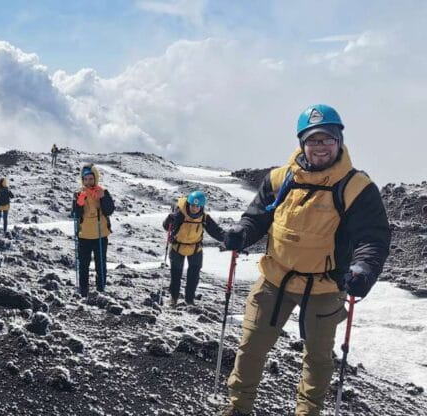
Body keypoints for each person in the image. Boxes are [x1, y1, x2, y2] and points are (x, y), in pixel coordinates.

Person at [218, 104, 391, 416]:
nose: (320, 147)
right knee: (251, 347)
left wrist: (363, 268)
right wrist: (241, 234)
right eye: (313, 140)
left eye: (327, 139)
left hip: (325, 287)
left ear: (339, 140)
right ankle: (237, 408)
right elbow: (256, 218)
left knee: (318, 359)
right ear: (302, 143)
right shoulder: (278, 179)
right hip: (275, 279)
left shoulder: (356, 187)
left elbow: (372, 237)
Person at [161, 190, 225, 306]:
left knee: (193, 276)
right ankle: (173, 298)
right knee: (176, 275)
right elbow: (167, 227)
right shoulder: (179, 214)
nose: (194, 208)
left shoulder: (204, 218)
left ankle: (189, 300)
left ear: (202, 207)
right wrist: (169, 219)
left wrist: (229, 239)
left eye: (198, 206)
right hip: (177, 247)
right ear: (189, 204)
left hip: (196, 249)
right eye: (193, 205)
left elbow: (216, 231)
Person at [70, 163, 115, 297]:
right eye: (86, 179)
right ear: (82, 180)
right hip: (84, 235)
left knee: (100, 265)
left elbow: (109, 210)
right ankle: (84, 292)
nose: (88, 182)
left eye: (91, 178)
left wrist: (103, 198)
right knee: (83, 265)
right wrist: (79, 203)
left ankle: (100, 291)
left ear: (95, 178)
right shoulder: (78, 194)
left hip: (101, 234)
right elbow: (75, 215)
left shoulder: (103, 192)